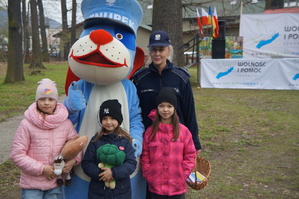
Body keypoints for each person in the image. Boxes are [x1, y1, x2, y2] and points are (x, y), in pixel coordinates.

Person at [10, 78, 82, 199]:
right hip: (32, 185)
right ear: (37, 101)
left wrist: (73, 161)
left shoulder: (65, 124)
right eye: (42, 99)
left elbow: (76, 145)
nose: (46, 103)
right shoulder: (27, 124)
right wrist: (42, 169)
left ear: (56, 101)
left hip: (55, 183)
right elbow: (17, 155)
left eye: (51, 99)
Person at [131, 30, 202, 153]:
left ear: (168, 51)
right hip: (149, 142)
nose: (157, 54)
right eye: (154, 49)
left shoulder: (181, 78)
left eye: (161, 49)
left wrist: (194, 142)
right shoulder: (140, 79)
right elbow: (135, 112)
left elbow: (189, 112)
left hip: (176, 140)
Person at [141, 87, 196, 199]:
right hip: (155, 186)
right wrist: (148, 174)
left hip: (177, 187)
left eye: (169, 106)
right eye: (161, 106)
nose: (165, 110)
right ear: (157, 108)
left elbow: (190, 155)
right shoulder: (150, 132)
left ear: (174, 108)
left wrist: (183, 175)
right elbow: (145, 155)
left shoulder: (184, 132)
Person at [81, 99, 137, 199]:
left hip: (121, 192)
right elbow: (87, 163)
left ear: (119, 120)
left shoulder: (125, 140)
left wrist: (114, 173)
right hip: (98, 192)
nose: (108, 122)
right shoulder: (95, 140)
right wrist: (102, 174)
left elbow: (131, 163)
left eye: (112, 118)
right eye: (105, 118)